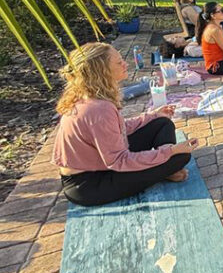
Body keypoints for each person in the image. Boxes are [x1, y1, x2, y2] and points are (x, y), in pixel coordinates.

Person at [52, 43, 197, 206]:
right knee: (181, 156)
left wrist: (153, 115)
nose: (125, 64)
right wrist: (170, 152)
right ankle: (167, 169)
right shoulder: (99, 109)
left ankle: (165, 169)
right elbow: (120, 161)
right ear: (102, 71)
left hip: (100, 163)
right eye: (119, 62)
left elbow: (119, 129)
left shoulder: (88, 94)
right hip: (89, 184)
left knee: (162, 122)